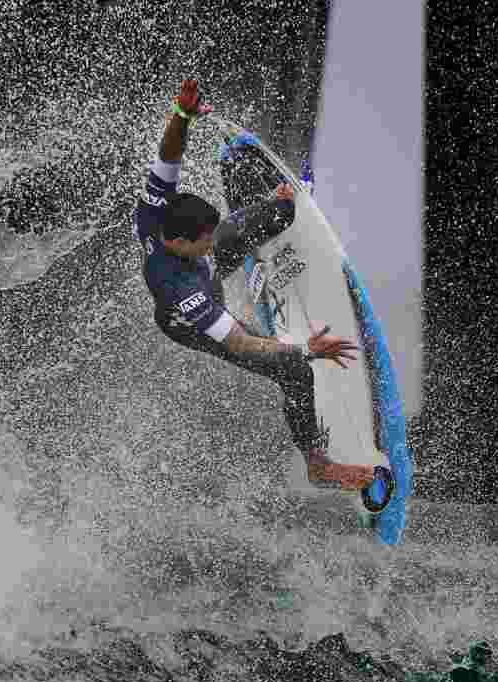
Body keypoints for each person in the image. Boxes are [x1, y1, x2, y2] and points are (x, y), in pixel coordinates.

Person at [133, 79, 378, 495]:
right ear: (177, 244)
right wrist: (305, 349)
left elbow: (168, 156)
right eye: (204, 238)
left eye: (211, 233)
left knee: (277, 213)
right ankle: (318, 463)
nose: (212, 240)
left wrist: (181, 116)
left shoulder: (158, 211)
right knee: (294, 369)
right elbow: (240, 344)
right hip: (195, 317)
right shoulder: (183, 295)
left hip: (198, 266)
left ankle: (275, 215)